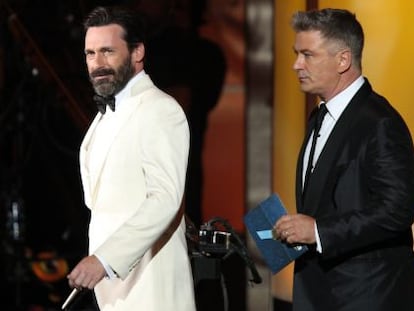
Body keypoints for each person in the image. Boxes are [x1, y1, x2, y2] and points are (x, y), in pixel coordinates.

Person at [273, 8, 414, 311]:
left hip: (366, 296)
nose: (296, 64)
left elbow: (398, 211)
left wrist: (318, 231)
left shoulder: (380, 123)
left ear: (343, 60)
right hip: (321, 292)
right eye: (297, 53)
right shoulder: (319, 115)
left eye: (308, 54)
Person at [66, 6, 196, 311]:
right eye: (90, 53)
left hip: (150, 289)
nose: (97, 63)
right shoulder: (106, 116)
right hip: (115, 292)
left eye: (108, 51)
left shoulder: (159, 109)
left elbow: (165, 198)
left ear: (137, 52)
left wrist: (104, 259)